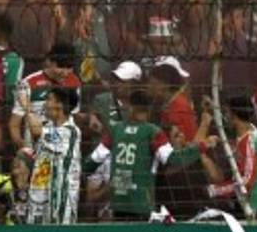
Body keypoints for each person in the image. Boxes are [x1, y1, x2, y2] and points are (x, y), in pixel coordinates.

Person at [89, 88, 209, 219]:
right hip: (137, 208)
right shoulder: (150, 139)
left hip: (137, 207)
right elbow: (174, 159)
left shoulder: (126, 133)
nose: (180, 136)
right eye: (176, 134)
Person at [204, 95, 257, 217]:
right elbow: (226, 127)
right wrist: (213, 109)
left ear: (234, 116)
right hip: (242, 200)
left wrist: (216, 190)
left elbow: (247, 180)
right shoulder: (246, 129)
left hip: (252, 204)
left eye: (227, 112)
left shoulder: (249, 142)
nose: (226, 116)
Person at [26, 86, 83, 223]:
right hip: (39, 193)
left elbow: (36, 130)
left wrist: (26, 104)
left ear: (60, 105)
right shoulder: (47, 126)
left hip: (61, 196)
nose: (45, 104)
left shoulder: (70, 131)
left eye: (49, 99)